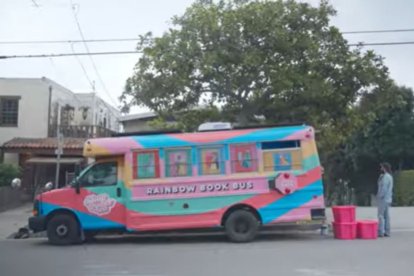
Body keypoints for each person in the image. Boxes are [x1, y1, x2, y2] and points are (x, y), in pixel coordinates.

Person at [377, 162, 393, 237]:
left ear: (385, 168)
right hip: (388, 198)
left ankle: (381, 231)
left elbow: (384, 188)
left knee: (381, 215)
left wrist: (380, 196)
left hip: (383, 198)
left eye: (382, 167)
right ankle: (387, 231)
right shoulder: (389, 176)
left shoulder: (386, 177)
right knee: (386, 215)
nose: (381, 169)